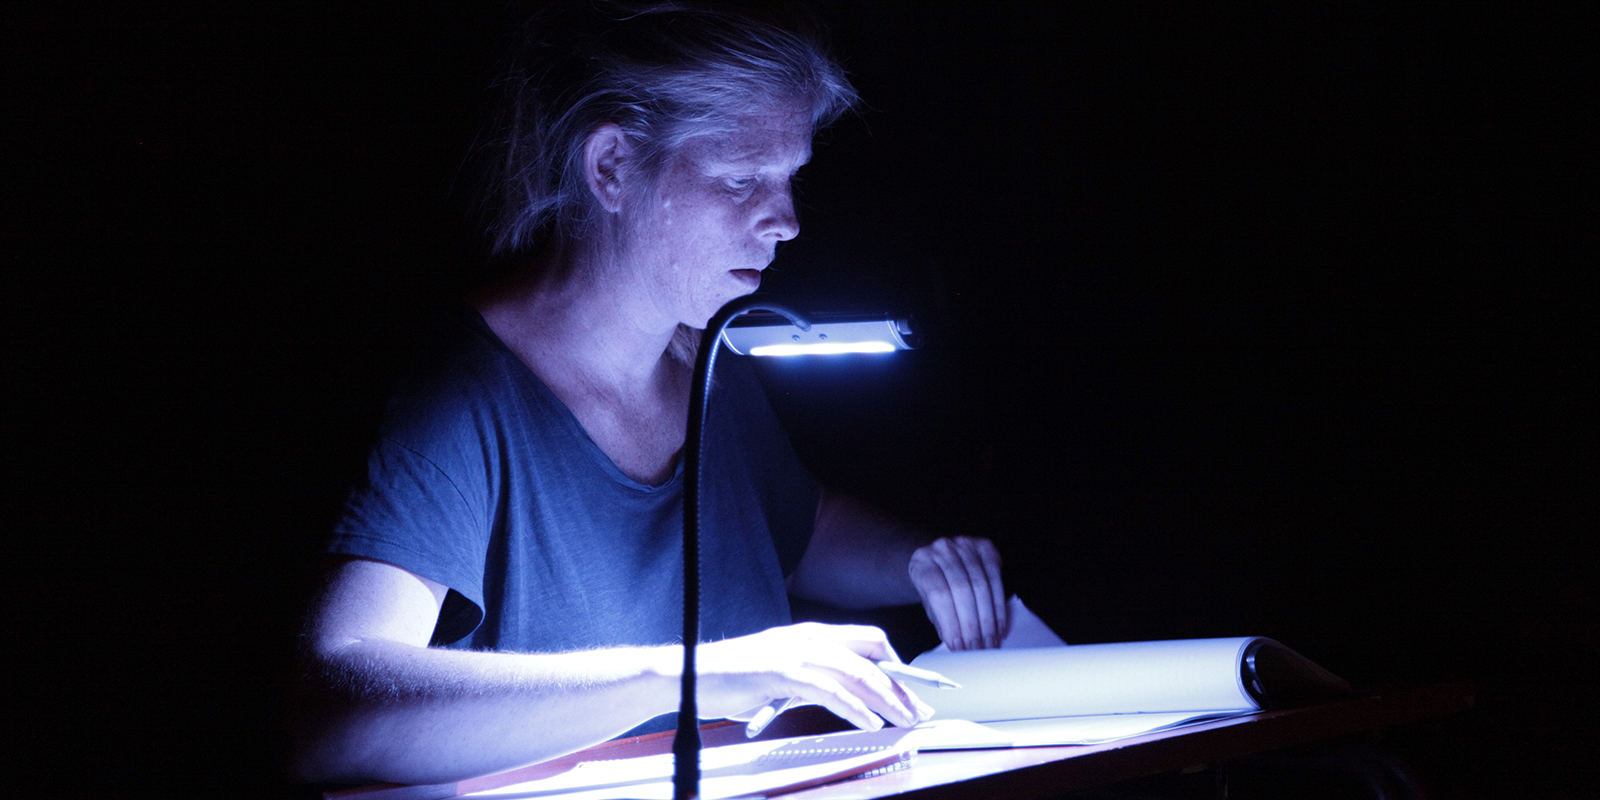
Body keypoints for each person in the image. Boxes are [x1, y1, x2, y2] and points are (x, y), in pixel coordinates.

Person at [290, 1, 1007, 786]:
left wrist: (916, 562)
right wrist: (693, 674)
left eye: (789, 178)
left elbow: (797, 529)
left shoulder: (713, 373)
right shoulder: (460, 403)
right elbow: (327, 707)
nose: (787, 221)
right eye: (742, 179)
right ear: (612, 167)